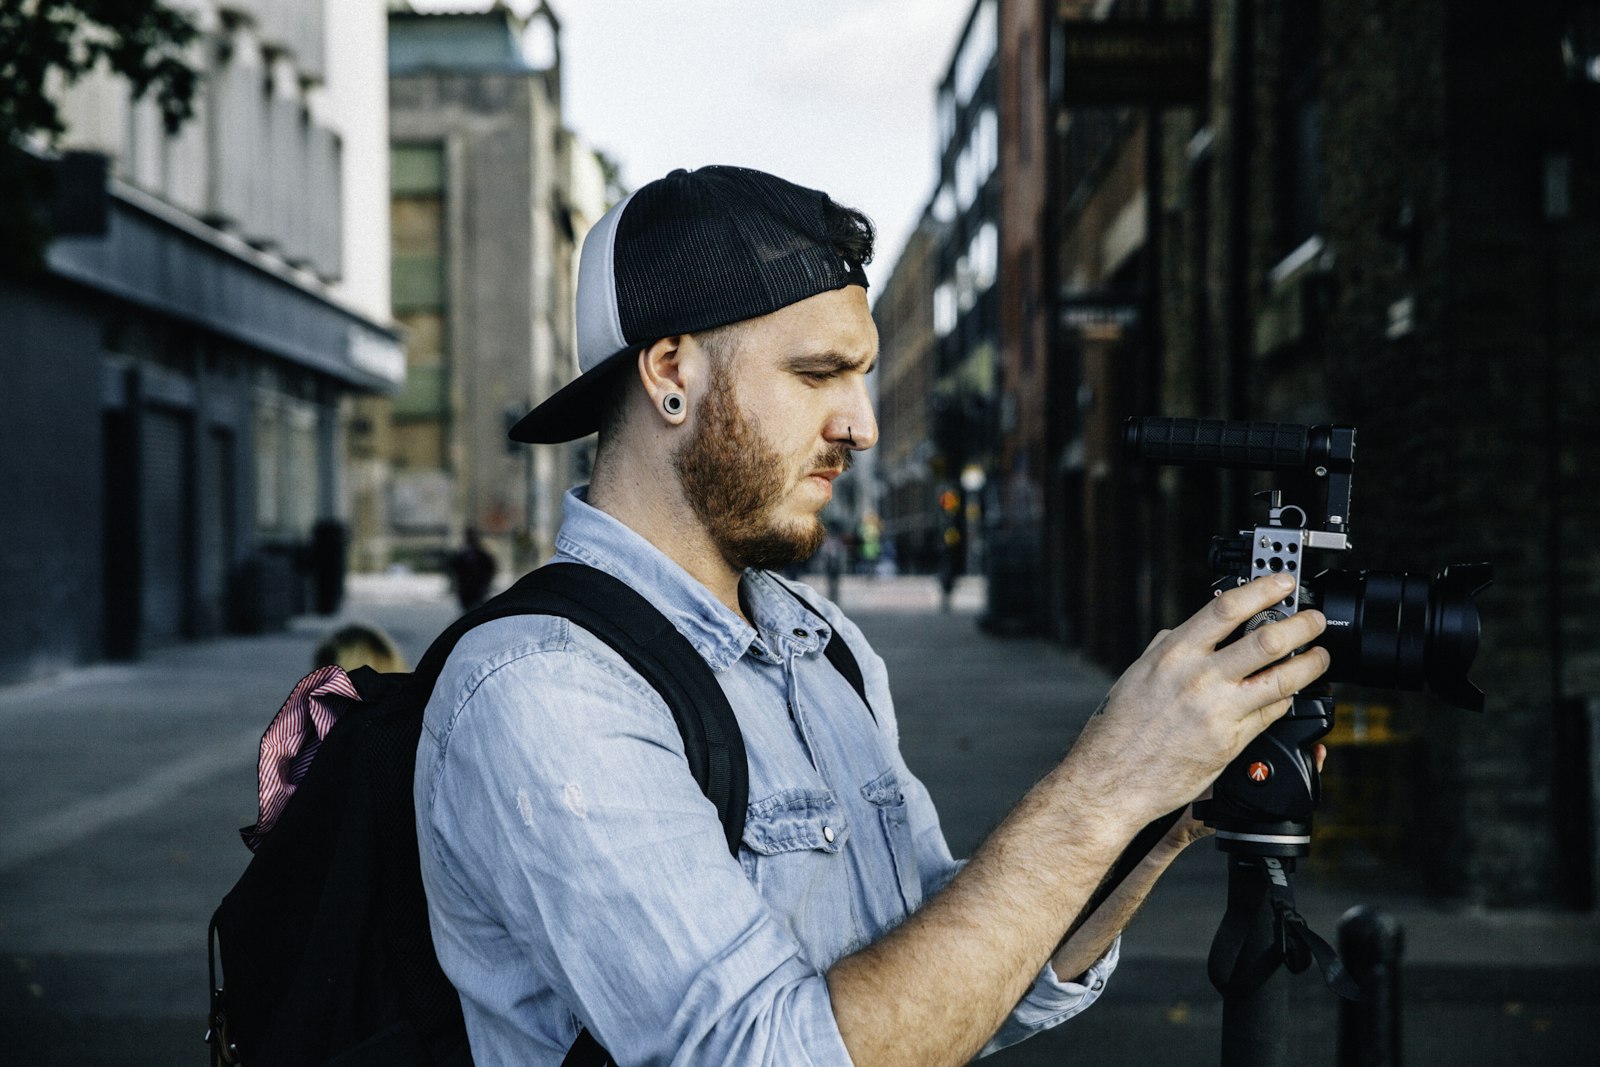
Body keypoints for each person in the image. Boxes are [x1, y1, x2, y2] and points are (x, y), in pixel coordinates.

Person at [413, 166, 1330, 1066]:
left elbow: (962, 986)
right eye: (820, 374)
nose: (863, 425)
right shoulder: (546, 690)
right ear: (670, 371)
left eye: (864, 378)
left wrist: (1163, 801)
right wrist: (1102, 789)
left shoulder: (825, 649)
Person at [449, 527, 497, 611]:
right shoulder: (464, 554)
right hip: (469, 589)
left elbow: (490, 569)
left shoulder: (478, 555)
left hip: (476, 588)